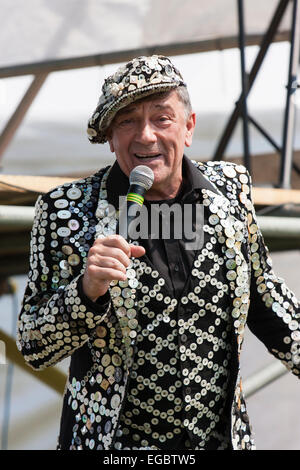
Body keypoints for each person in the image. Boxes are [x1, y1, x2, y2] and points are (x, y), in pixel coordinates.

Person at [16, 55, 300, 451]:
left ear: (189, 127)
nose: (145, 136)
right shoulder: (65, 212)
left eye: (161, 118)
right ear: (111, 138)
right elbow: (32, 346)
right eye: (127, 121)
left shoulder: (231, 189)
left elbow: (267, 297)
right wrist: (85, 291)